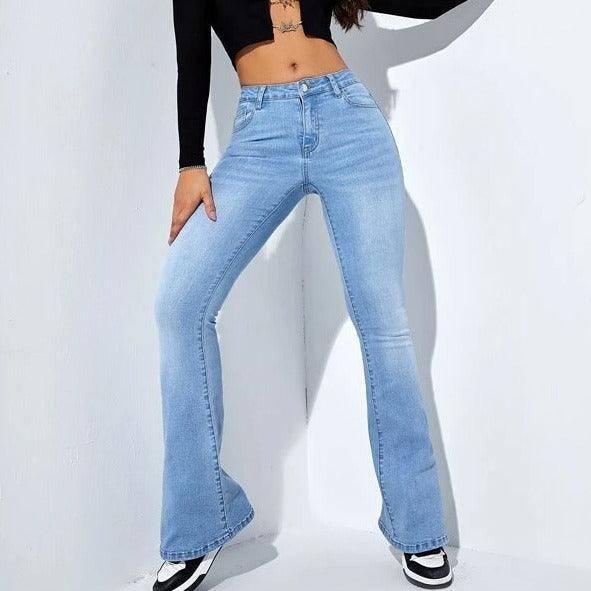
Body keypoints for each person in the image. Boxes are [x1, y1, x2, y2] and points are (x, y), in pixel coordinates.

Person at [153, 1, 469, 589]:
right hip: (260, 135)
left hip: (349, 121)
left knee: (385, 325)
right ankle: (198, 522)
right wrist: (190, 162)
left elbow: (421, 4)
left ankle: (417, 525)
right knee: (180, 305)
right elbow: (190, 52)